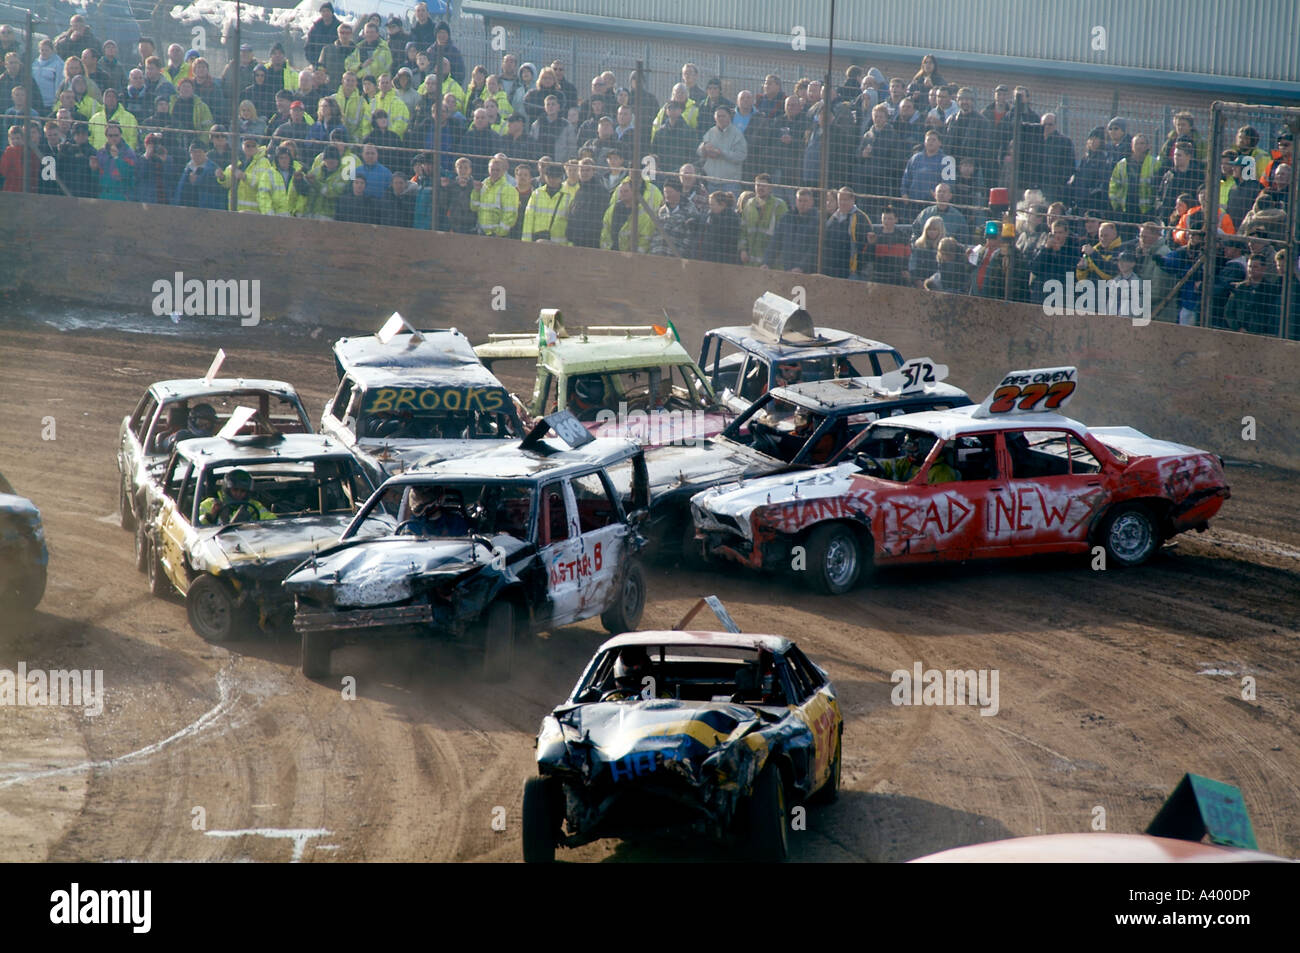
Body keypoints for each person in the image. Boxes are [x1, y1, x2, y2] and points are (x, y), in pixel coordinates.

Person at [200, 470, 276, 525]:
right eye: (235, 490)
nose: (239, 494)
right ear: (227, 490)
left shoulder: (254, 505)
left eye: (243, 491)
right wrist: (210, 517)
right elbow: (196, 529)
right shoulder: (209, 504)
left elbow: (272, 520)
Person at [882, 434, 957, 483]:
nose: (907, 451)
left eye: (911, 446)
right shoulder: (907, 463)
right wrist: (871, 465)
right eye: (906, 445)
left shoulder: (942, 472)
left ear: (925, 448)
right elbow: (887, 465)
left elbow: (938, 499)